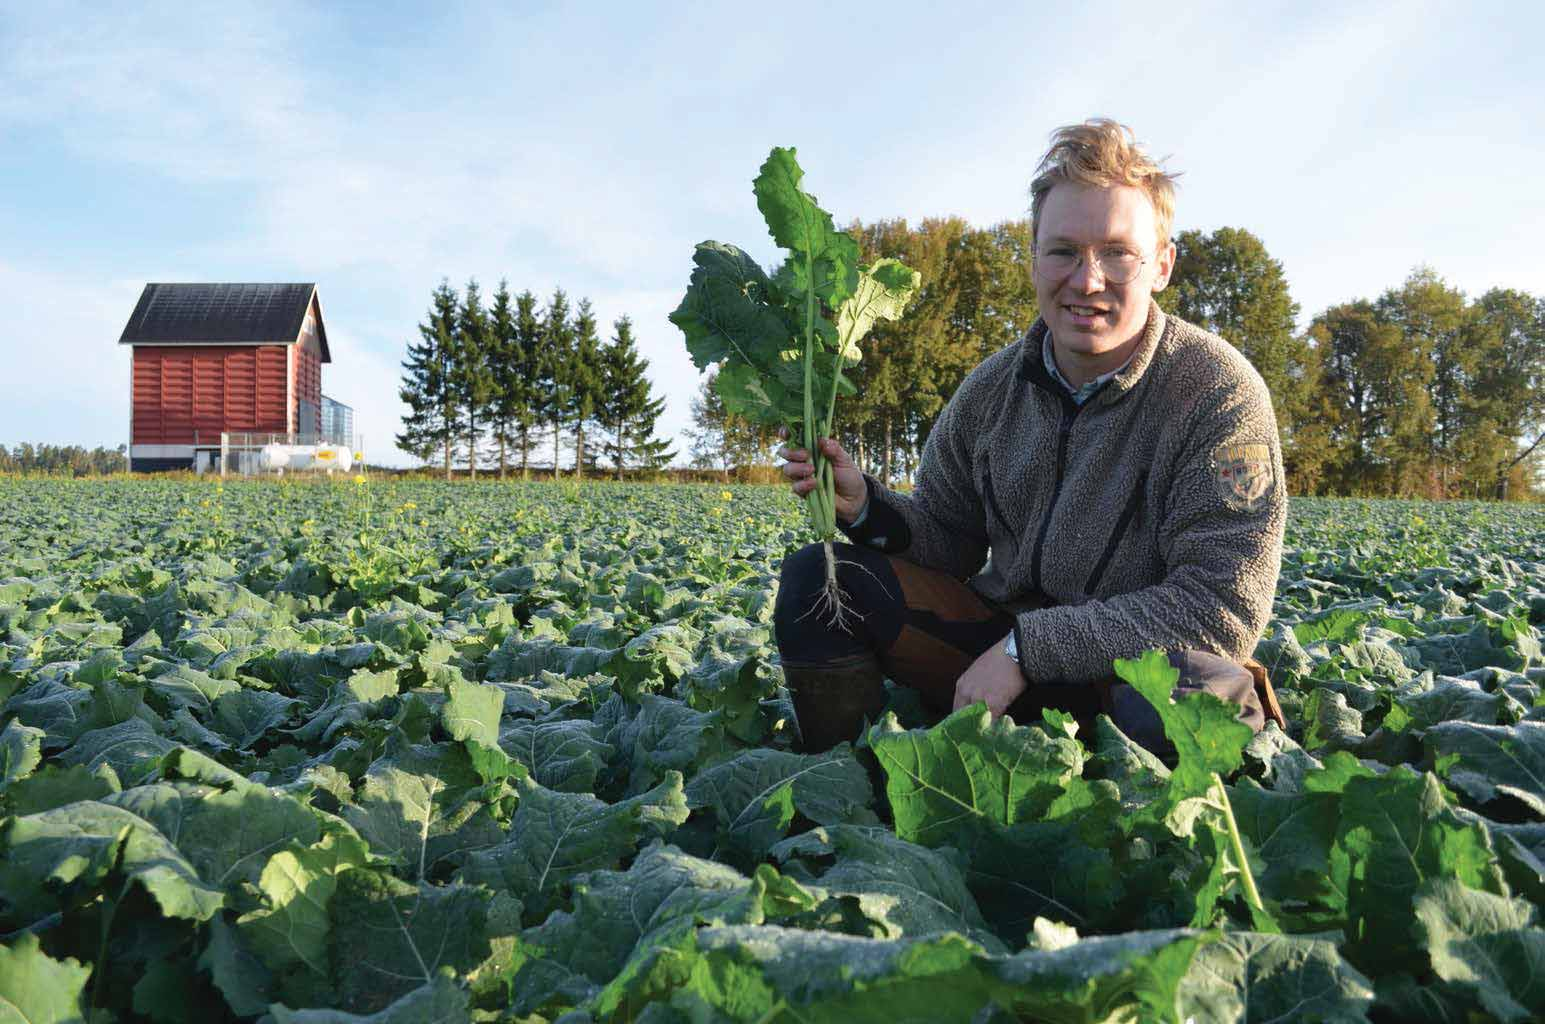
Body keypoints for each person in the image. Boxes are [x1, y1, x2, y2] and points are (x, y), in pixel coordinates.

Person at [775, 119, 1287, 757]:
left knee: (1195, 695)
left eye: (1116, 253)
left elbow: (1221, 609)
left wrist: (1031, 648)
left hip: (1126, 674)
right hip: (995, 652)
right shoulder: (992, 391)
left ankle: (1129, 842)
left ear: (1161, 264)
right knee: (821, 583)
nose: (1087, 279)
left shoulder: (1216, 391)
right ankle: (852, 792)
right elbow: (950, 540)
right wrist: (867, 508)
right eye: (1064, 251)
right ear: (1034, 256)